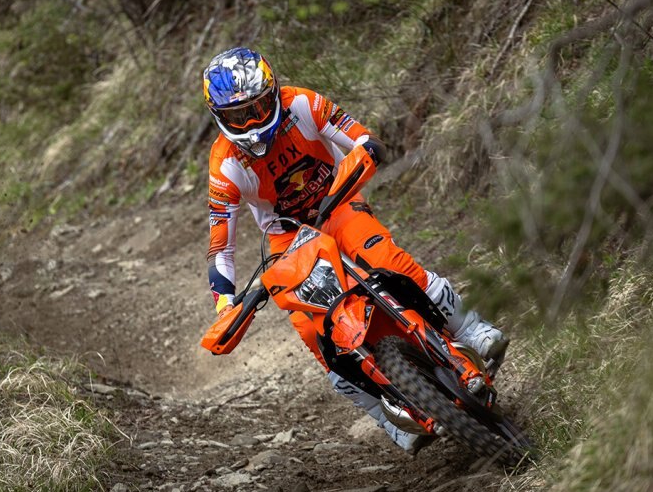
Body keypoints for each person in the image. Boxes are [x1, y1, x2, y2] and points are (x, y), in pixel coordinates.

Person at [201, 46, 507, 453]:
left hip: (337, 201)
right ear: (220, 117)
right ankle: (384, 413)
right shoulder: (224, 164)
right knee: (312, 331)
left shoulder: (302, 103)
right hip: (287, 239)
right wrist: (226, 304)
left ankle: (469, 328)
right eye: (239, 116)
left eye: (257, 108)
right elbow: (221, 247)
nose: (252, 123)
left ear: (273, 93)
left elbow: (364, 139)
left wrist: (363, 154)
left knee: (387, 260)